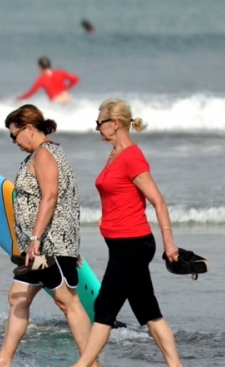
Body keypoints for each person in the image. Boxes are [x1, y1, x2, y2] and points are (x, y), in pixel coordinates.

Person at [0, 104, 96, 367]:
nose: (13, 141)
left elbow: (50, 198)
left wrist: (37, 238)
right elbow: (35, 200)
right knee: (18, 296)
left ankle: (91, 363)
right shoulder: (45, 154)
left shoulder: (44, 154)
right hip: (39, 247)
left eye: (14, 135)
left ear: (29, 129)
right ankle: (3, 359)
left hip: (49, 244)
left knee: (67, 301)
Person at [70, 98, 182, 367]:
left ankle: (81, 365)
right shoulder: (114, 154)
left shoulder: (132, 156)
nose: (96, 127)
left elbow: (158, 200)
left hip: (133, 244)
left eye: (100, 122)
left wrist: (170, 243)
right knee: (149, 312)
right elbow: (118, 195)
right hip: (121, 244)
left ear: (115, 123)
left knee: (104, 308)